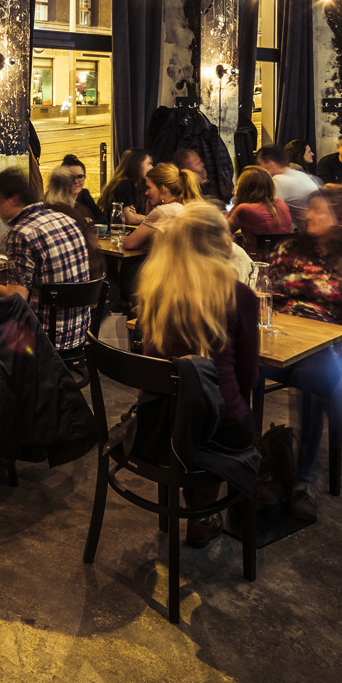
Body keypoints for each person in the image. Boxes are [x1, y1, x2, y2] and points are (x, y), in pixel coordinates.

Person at [130, 203, 260, 543]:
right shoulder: (239, 295)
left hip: (158, 424)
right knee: (229, 414)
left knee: (194, 411)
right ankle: (201, 515)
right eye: (228, 234)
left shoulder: (156, 288)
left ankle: (196, 509)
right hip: (217, 427)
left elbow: (150, 359)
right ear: (218, 242)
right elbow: (247, 377)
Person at [261, 190, 342, 520]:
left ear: (340, 218)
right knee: (234, 367)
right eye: (310, 210)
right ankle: (250, 464)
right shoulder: (289, 248)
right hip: (280, 337)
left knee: (315, 379)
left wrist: (330, 341)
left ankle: (304, 479)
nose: (309, 216)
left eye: (319, 211)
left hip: (329, 344)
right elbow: (268, 291)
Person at [0, 169, 94, 352]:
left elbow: (16, 299)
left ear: (14, 199)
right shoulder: (66, 219)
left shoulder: (21, 233)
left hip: (44, 341)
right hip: (81, 335)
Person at [118, 162, 202, 254]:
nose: (146, 192)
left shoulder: (163, 211)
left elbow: (128, 244)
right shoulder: (184, 207)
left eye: (149, 187)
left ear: (162, 189)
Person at [44, 169, 106, 279]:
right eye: (73, 179)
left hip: (55, 282)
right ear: (68, 187)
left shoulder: (44, 211)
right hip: (86, 281)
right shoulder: (74, 214)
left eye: (80, 176)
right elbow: (93, 258)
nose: (77, 181)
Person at [226, 166, 291, 255]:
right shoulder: (281, 203)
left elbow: (221, 230)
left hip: (258, 259)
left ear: (243, 187)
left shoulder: (245, 209)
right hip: (285, 257)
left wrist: (237, 201)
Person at [255, 145, 321, 206]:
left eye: (260, 164)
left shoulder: (279, 180)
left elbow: (270, 209)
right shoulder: (303, 175)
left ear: (270, 163)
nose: (259, 169)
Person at [103, 149, 152, 219]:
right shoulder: (124, 184)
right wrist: (152, 219)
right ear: (136, 164)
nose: (151, 167)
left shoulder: (141, 185)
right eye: (148, 163)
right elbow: (130, 218)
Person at [57, 154, 104, 224]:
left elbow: (103, 220)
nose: (76, 181)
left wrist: (86, 222)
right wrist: (84, 221)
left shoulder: (84, 194)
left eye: (80, 177)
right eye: (71, 177)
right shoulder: (54, 199)